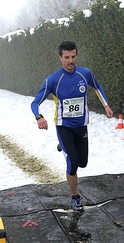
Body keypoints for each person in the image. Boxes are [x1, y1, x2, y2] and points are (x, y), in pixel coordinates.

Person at [31, 41, 113, 211]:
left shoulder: (85, 74)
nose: (70, 61)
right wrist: (39, 117)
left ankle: (64, 145)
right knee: (73, 163)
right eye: (66, 57)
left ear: (76, 55)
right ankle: (75, 196)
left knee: (83, 162)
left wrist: (106, 105)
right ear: (60, 57)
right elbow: (35, 102)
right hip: (64, 126)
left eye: (73, 57)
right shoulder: (53, 80)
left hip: (81, 126)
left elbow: (97, 87)